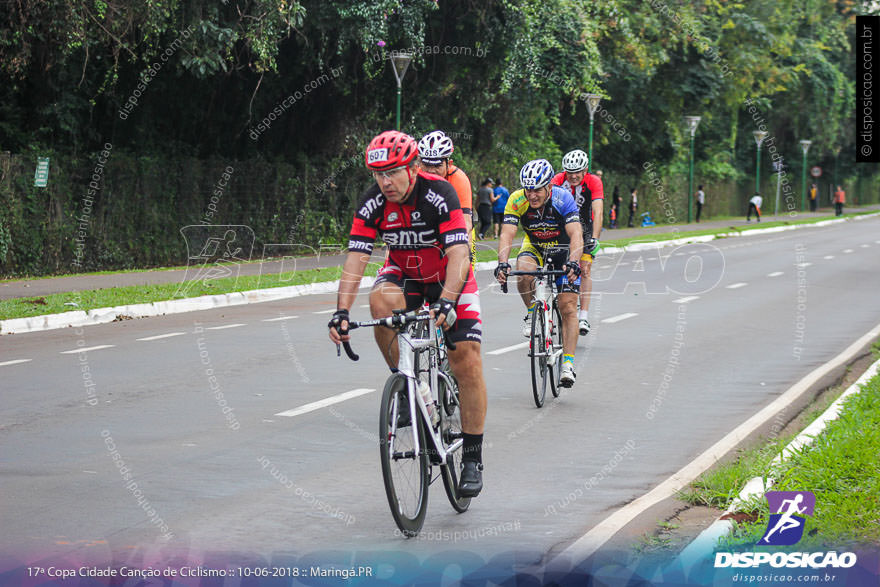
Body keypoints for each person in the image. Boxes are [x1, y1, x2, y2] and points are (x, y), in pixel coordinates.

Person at [329, 130, 488, 497]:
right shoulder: (372, 203)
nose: (385, 182)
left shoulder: (440, 193)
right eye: (378, 174)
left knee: (466, 359)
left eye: (393, 173)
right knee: (379, 300)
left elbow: (459, 255)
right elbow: (356, 259)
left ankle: (472, 457)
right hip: (406, 276)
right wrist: (341, 310)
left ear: (414, 168)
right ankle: (406, 383)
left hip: (449, 277)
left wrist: (448, 302)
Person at [494, 159, 583, 387]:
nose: (532, 195)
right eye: (528, 189)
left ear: (549, 187)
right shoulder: (516, 199)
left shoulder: (563, 198)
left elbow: (576, 235)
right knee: (523, 272)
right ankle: (533, 312)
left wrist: (574, 262)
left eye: (537, 190)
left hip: (563, 250)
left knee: (568, 306)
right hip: (535, 247)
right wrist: (502, 263)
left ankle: (568, 364)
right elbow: (507, 234)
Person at [551, 149, 603, 335]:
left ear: (585, 169)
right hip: (561, 227)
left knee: (585, 269)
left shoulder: (594, 181)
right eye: (569, 172)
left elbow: (597, 211)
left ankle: (584, 316)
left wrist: (595, 237)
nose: (573, 176)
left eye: (577, 172)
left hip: (585, 228)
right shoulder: (557, 179)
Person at [418, 130, 476, 264]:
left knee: (463, 269)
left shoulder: (459, 178)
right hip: (425, 227)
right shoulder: (414, 177)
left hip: (455, 225)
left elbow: (465, 222)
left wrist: (464, 252)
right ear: (419, 163)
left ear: (449, 163)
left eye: (437, 165)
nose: (431, 171)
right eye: (426, 165)